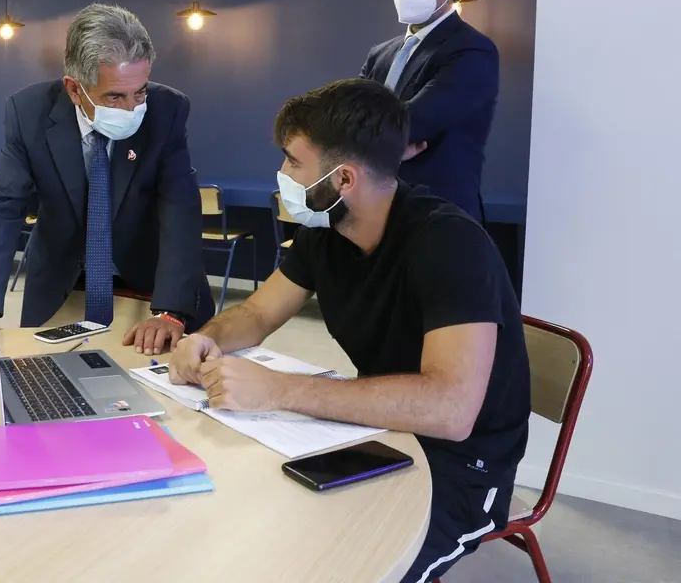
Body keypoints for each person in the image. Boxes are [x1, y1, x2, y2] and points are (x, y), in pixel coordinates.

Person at [168, 79, 530, 583]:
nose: (282, 175)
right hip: (379, 430)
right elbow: (255, 314)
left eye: (293, 162)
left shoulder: (450, 243)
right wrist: (206, 337)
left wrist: (279, 390)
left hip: (464, 467)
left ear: (343, 180)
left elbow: (450, 411)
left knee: (353, 566)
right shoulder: (325, 232)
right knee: (250, 520)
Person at [0, 3, 215, 354]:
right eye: (115, 96)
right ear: (74, 89)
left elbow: (179, 207)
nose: (131, 109)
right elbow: (4, 207)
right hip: (61, 282)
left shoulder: (168, 110)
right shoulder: (28, 112)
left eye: (139, 92)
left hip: (152, 280)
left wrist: (171, 310)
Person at [360, 0, 500, 222]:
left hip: (439, 216)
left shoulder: (472, 49)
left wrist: (375, 141)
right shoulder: (381, 53)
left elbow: (413, 123)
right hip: (377, 211)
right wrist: (390, 150)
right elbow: (347, 118)